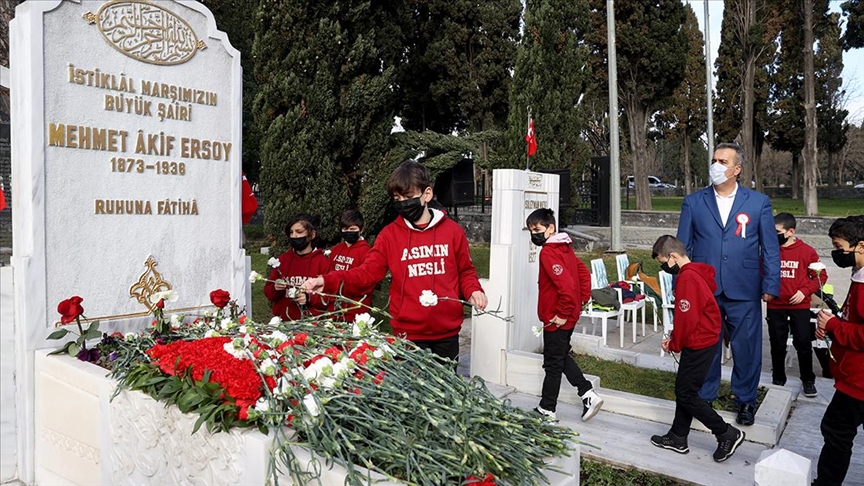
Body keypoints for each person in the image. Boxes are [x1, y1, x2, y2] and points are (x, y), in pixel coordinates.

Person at [303, 160, 488, 363]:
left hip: (447, 333)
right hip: (408, 334)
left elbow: (465, 270)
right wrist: (327, 281)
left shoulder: (453, 231)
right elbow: (366, 273)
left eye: (408, 197)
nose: (403, 203)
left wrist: (473, 290)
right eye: (397, 198)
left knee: (445, 384)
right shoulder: (389, 236)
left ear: (427, 194)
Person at [676, 142, 780, 426]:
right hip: (704, 290)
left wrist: (771, 284)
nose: (716, 165)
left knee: (746, 348)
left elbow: (770, 248)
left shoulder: (758, 202)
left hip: (744, 287)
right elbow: (682, 249)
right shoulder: (694, 202)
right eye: (714, 160)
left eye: (723, 161)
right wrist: (681, 286)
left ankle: (745, 399)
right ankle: (705, 397)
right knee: (706, 346)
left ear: (737, 169)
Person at [650, 235, 745, 462]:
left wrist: (674, 343)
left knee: (686, 393)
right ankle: (678, 436)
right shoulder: (695, 273)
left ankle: (726, 433)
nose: (664, 268)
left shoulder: (687, 279)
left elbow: (687, 318)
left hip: (699, 341)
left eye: (663, 262)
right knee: (685, 390)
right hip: (704, 339)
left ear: (673, 257)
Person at [526, 208, 603, 422]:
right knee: (559, 357)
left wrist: (563, 313)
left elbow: (567, 286)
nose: (534, 235)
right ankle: (587, 394)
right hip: (566, 315)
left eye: (537, 230)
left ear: (550, 228)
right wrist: (582, 300)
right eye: (531, 231)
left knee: (552, 363)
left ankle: (547, 409)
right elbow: (583, 274)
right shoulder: (564, 248)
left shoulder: (549, 252)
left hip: (557, 318)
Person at [812, 215, 864, 486]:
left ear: (861, 246)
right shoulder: (858, 277)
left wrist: (834, 325)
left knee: (836, 430)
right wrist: (832, 327)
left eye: (839, 247)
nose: (836, 253)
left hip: (859, 380)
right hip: (853, 373)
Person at [766, 212, 828, 396]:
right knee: (777, 343)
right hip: (775, 305)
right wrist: (765, 290)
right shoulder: (770, 250)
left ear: (790, 231)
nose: (773, 235)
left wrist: (804, 291)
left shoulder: (807, 251)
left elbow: (821, 277)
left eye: (777, 232)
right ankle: (778, 378)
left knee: (803, 343)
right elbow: (761, 272)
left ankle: (808, 380)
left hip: (799, 306)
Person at [263, 213, 330, 320]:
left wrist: (309, 298)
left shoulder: (323, 263)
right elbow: (268, 293)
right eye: (291, 232)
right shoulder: (282, 260)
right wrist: (275, 288)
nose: (294, 236)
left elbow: (329, 297)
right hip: (284, 322)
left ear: (312, 234)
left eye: (299, 232)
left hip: (312, 323)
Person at [326, 209, 375, 322]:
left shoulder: (367, 252)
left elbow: (367, 282)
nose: (348, 232)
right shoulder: (336, 250)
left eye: (352, 229)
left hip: (355, 312)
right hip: (333, 310)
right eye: (345, 229)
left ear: (361, 229)